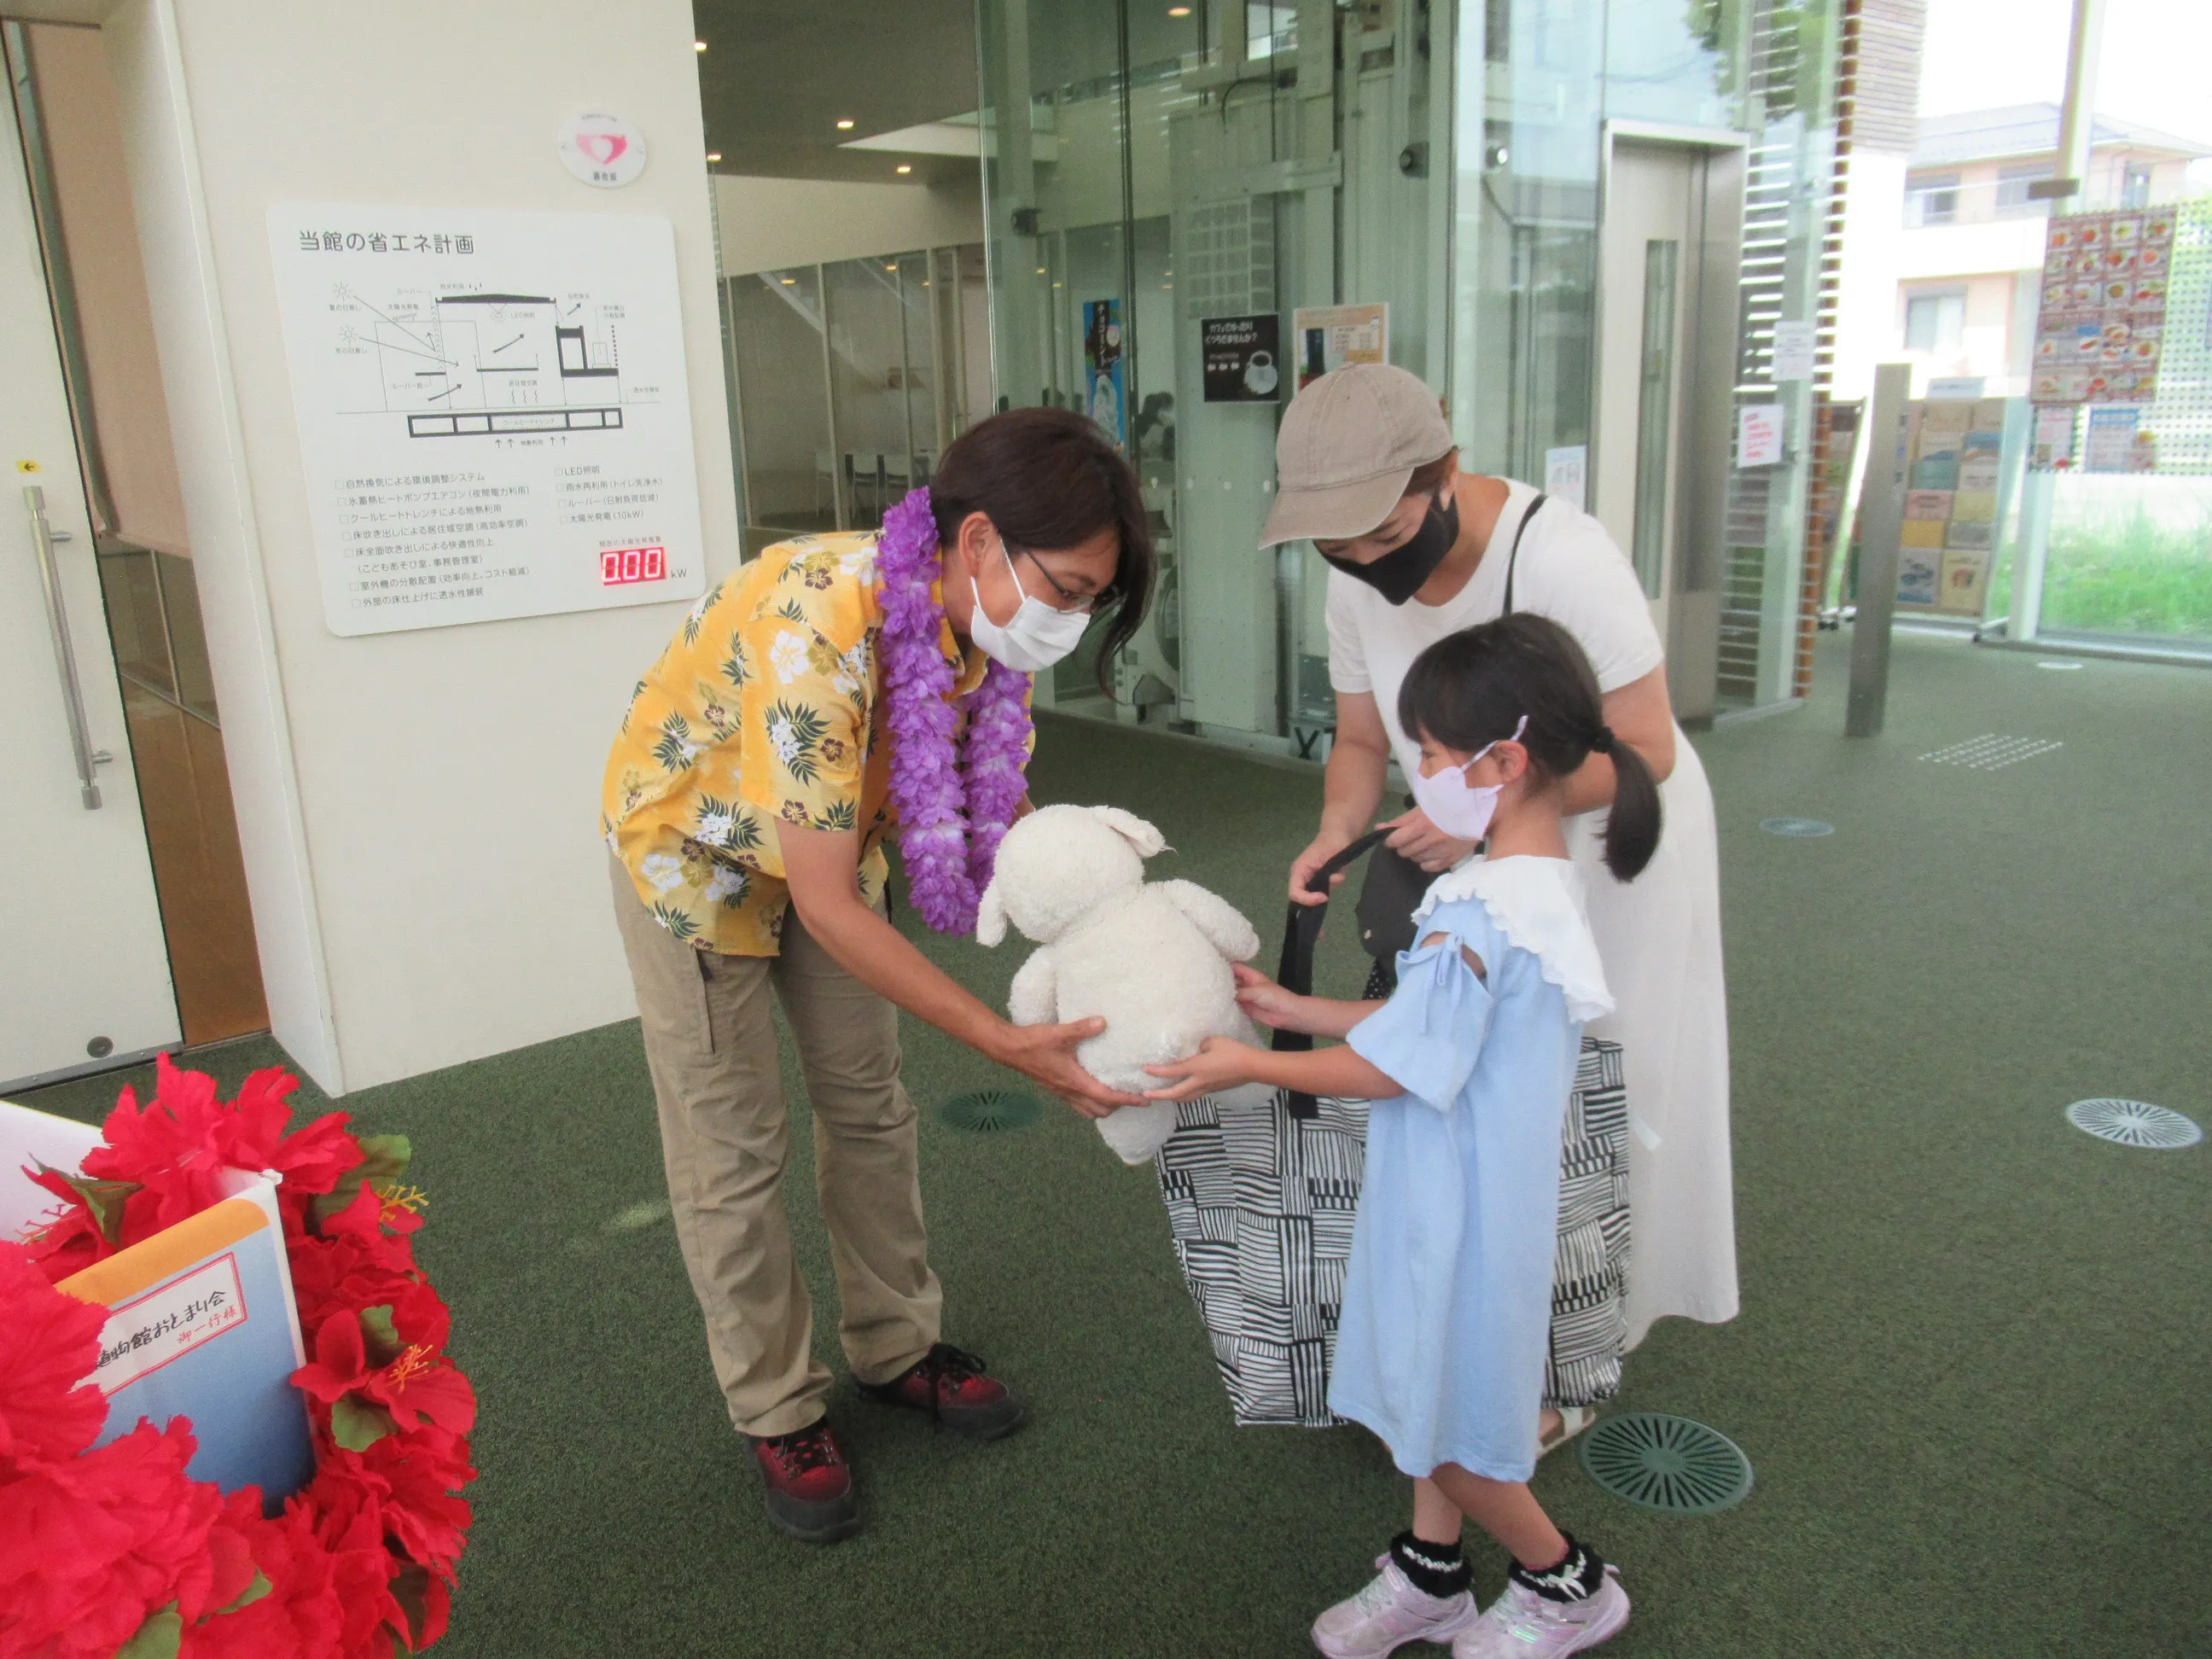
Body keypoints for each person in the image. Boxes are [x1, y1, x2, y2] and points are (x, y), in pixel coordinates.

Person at [601, 409, 1154, 1544]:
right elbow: (821, 906)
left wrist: (1127, 944)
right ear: (982, 541)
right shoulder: (815, 626)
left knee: (870, 1104)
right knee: (731, 1144)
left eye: (1096, 601)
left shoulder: (989, 636)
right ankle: (774, 1405)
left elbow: (1005, 817)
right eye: (1073, 587)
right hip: (695, 859)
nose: (1076, 617)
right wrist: (1005, 1043)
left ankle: (895, 1347)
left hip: (832, 848)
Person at [1147, 614, 1656, 1658]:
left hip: (1454, 1225)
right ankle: (1432, 1574)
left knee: (1459, 1438)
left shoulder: (1476, 913)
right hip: (1473, 1205)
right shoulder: (1536, 892)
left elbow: (1396, 1067)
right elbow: (1427, 1030)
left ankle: (1568, 1585)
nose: (1417, 775)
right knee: (1430, 1403)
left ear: (1501, 762)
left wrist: (1251, 1059)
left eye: (1427, 754)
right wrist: (1297, 1007)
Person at [1266, 363, 1736, 1353]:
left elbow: (1648, 744)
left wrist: (1485, 811)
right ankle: (1482, 1324)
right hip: (1482, 847)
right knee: (1475, 1082)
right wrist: (1335, 828)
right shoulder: (1353, 581)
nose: (1365, 563)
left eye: (1388, 537)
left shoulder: (1560, 555)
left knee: (1592, 1089)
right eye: (1338, 548)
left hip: (1608, 840)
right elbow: (1358, 742)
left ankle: (1579, 1342)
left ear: (1447, 473)